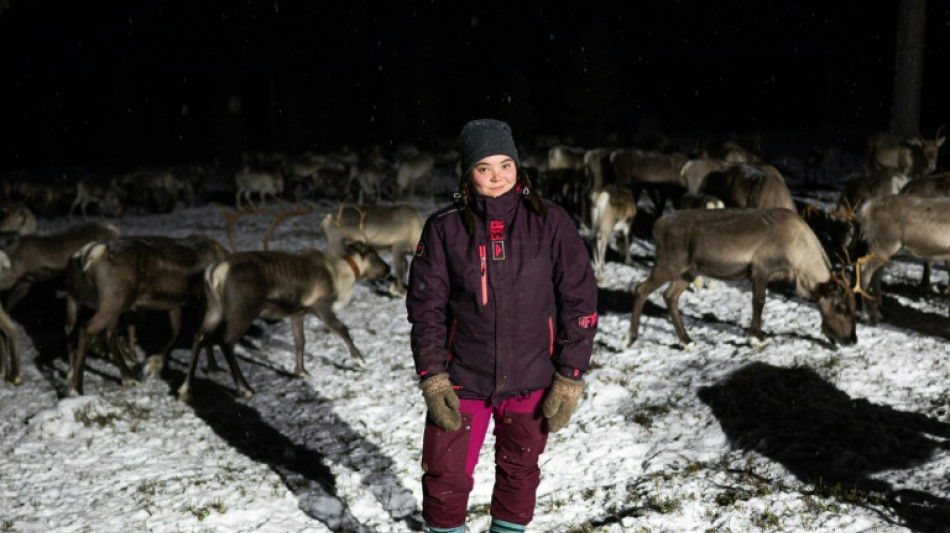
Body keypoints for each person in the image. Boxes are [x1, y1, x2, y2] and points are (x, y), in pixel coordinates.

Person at [406, 118, 599, 533]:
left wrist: (570, 375)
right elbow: (426, 311)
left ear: (519, 168)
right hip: (462, 380)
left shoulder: (551, 222)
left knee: (519, 472)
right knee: (444, 478)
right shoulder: (443, 229)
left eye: (505, 165)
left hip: (532, 378)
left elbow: (580, 301)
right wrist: (433, 378)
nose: (497, 177)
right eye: (484, 167)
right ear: (467, 173)